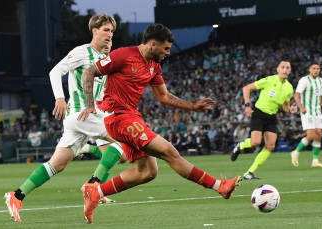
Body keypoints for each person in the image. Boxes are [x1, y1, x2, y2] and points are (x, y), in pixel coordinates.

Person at [78, 23, 242, 224]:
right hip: (118, 117)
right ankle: (219, 186)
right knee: (170, 152)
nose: (168, 52)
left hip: (131, 117)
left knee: (147, 172)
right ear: (152, 45)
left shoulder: (154, 66)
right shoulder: (123, 55)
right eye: (166, 48)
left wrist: (193, 106)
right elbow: (88, 73)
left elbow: (163, 96)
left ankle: (94, 192)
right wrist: (89, 105)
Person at [4, 13, 122, 223]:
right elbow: (55, 72)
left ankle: (16, 196)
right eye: (106, 30)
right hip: (80, 115)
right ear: (94, 30)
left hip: (86, 118)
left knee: (57, 164)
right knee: (124, 143)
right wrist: (60, 98)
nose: (109, 35)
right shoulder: (81, 52)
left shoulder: (103, 60)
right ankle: (93, 185)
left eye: (112, 32)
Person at [231, 60, 297, 179]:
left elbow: (285, 106)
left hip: (271, 117)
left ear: (290, 71)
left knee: (270, 146)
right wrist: (247, 105)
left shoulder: (289, 88)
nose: (285, 70)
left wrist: (290, 110)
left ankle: (249, 172)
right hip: (259, 113)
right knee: (255, 142)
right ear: (278, 69)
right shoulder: (269, 80)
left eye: (288, 68)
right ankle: (240, 146)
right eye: (283, 67)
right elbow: (246, 88)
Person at [290, 63, 322, 168]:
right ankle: (296, 152)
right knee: (311, 135)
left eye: (318, 69)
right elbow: (297, 95)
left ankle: (315, 161)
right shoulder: (304, 80)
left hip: (317, 112)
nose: (316, 70)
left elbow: (319, 95)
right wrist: (301, 107)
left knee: (318, 135)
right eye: (314, 68)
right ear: (310, 70)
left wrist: (319, 106)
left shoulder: (321, 81)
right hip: (307, 112)